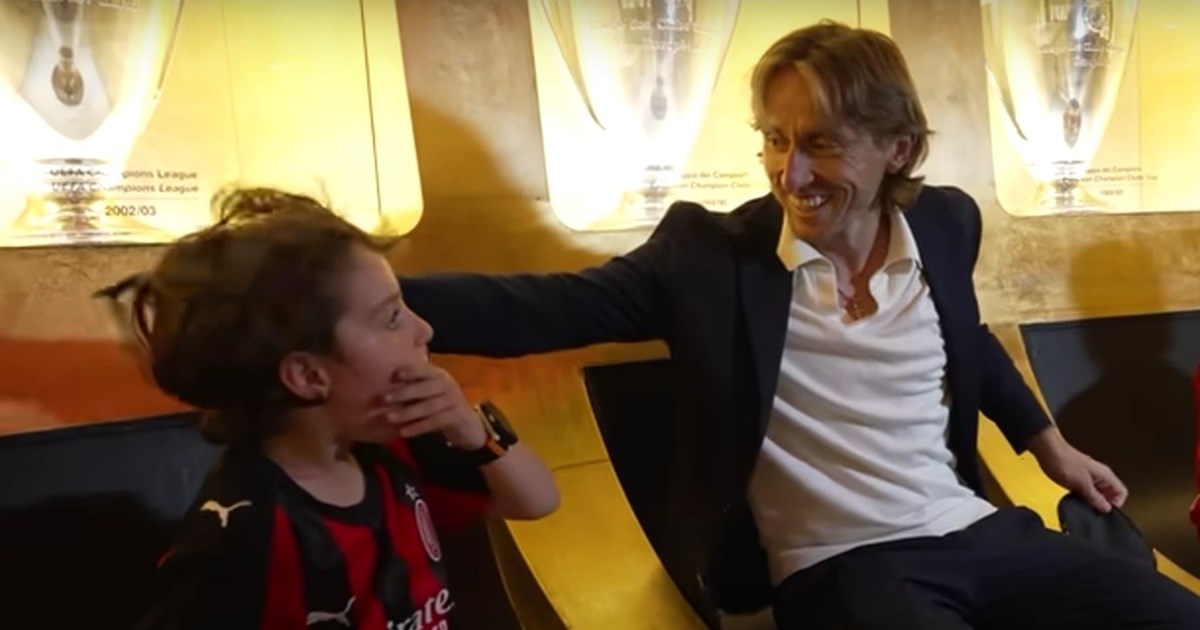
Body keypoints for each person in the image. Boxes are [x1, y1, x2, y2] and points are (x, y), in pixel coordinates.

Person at [397, 20, 1200, 630]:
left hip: (978, 529)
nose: (792, 173)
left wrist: (1051, 448)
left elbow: (968, 343)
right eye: (776, 141)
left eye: (821, 145)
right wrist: (365, 302)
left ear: (898, 149)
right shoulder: (709, 259)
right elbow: (540, 307)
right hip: (841, 565)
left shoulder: (947, 223)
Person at [95, 187, 559, 629]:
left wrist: (473, 433)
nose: (425, 330)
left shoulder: (391, 447)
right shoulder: (246, 535)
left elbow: (537, 501)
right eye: (392, 317)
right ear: (307, 375)